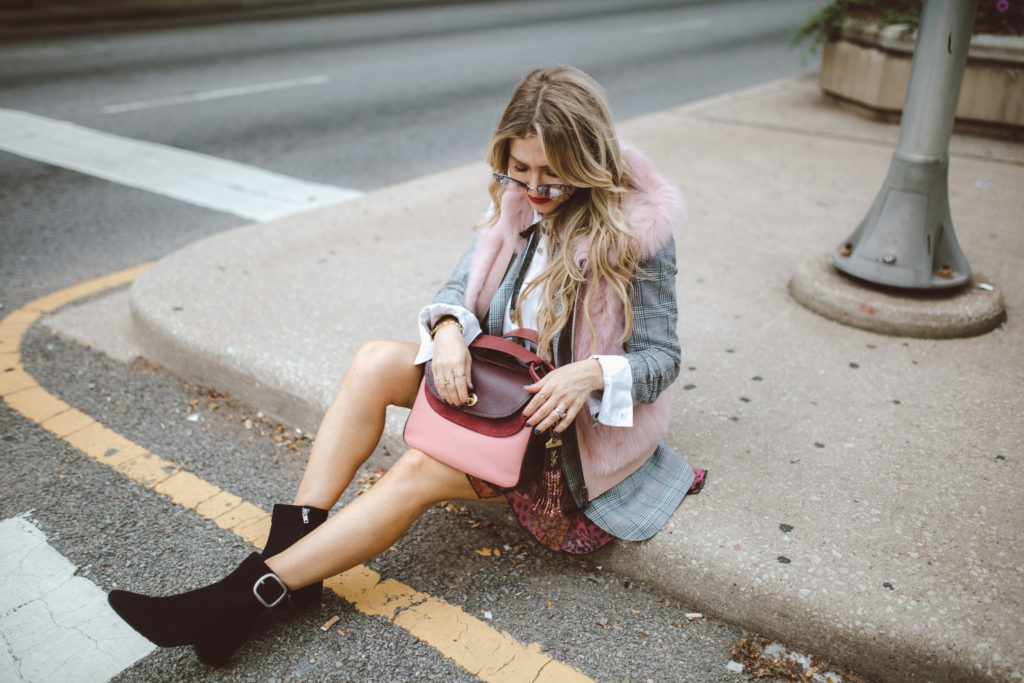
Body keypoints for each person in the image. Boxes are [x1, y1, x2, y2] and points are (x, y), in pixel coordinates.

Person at [107, 65, 705, 667]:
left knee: (420, 467)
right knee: (373, 361)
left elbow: (662, 357)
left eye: (552, 173)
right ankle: (293, 560)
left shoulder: (636, 232)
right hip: (500, 392)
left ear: (588, 158)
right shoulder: (517, 204)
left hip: (558, 439)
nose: (533, 188)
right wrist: (447, 332)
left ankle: (243, 597)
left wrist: (590, 373)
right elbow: (457, 286)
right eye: (519, 170)